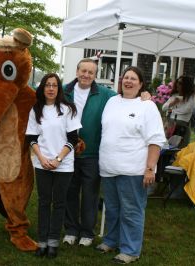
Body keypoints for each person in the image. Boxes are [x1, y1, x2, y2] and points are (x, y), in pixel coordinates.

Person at [96, 66, 166, 264]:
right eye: (125, 77)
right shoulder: (111, 101)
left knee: (131, 211)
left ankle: (130, 250)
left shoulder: (147, 106)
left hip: (133, 170)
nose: (128, 81)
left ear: (141, 83)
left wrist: (150, 168)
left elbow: (155, 140)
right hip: (109, 168)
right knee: (112, 209)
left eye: (133, 78)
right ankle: (111, 240)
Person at [26, 73, 81, 258]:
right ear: (42, 88)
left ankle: (53, 242)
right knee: (43, 202)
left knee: (58, 203)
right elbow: (31, 138)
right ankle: (41, 241)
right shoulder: (36, 110)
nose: (51, 88)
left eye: (54, 85)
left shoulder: (68, 109)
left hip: (63, 165)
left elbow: (73, 138)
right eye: (47, 85)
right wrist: (41, 158)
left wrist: (58, 159)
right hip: (42, 163)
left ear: (59, 89)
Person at [63, 58, 116, 247]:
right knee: (69, 191)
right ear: (77, 72)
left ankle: (87, 232)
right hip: (66, 151)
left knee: (90, 194)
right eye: (83, 71)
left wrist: (143, 96)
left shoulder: (105, 94)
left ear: (95, 75)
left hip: (92, 153)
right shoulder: (63, 90)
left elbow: (126, 98)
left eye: (90, 73)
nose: (86, 75)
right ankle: (70, 229)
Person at [162, 75, 195, 148]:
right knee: (168, 145)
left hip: (182, 124)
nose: (177, 84)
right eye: (177, 82)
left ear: (186, 85)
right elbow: (163, 108)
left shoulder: (191, 97)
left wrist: (173, 109)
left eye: (180, 83)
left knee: (180, 148)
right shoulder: (175, 96)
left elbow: (187, 110)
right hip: (171, 123)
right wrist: (173, 103)